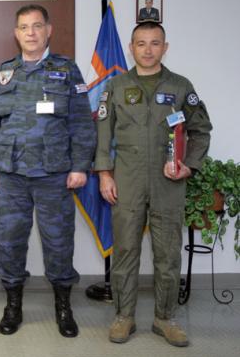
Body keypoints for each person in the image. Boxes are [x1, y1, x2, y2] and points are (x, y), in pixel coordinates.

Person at [0, 4, 95, 338]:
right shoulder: (5, 72)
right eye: (24, 27)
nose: (30, 33)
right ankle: (13, 305)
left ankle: (63, 306)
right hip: (11, 174)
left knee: (59, 242)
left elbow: (81, 122)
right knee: (9, 241)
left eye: (37, 26)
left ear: (48, 30)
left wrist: (80, 166)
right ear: (16, 33)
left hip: (54, 174)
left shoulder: (67, 70)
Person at [95, 21, 212, 347]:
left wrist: (189, 166)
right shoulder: (116, 86)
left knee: (168, 255)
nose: (148, 50)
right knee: (125, 252)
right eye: (141, 43)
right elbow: (103, 132)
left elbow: (201, 130)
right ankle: (124, 316)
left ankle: (165, 318)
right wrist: (104, 173)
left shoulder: (180, 86)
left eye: (155, 43)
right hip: (127, 181)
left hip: (168, 183)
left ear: (165, 47)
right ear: (131, 48)